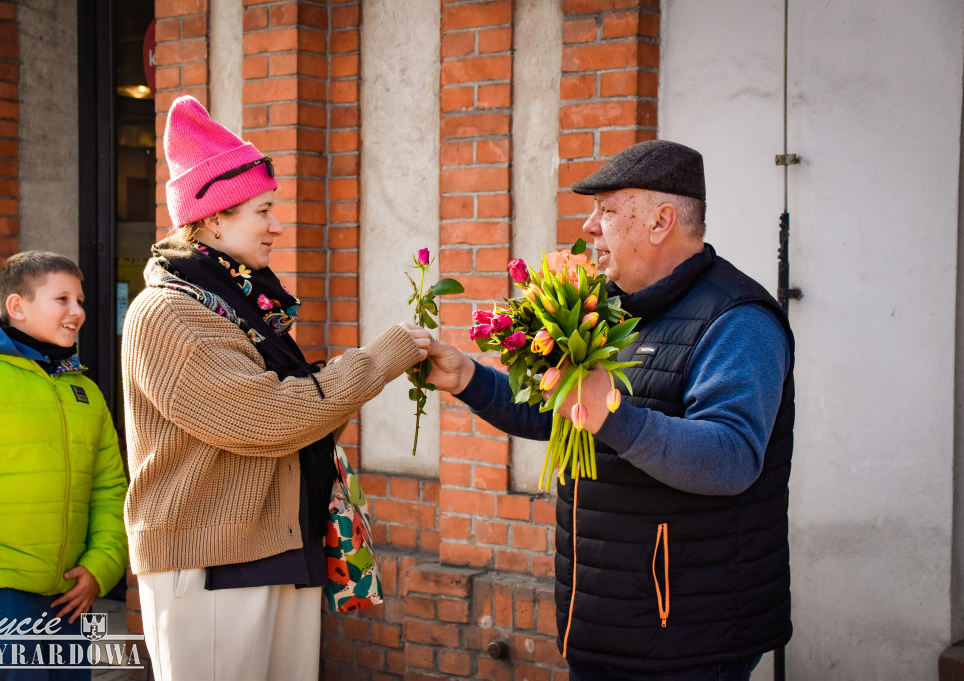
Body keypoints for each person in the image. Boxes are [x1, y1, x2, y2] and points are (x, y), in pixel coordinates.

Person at [426, 140, 795, 680]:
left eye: (606, 210)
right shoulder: (613, 306)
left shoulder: (738, 321)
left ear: (661, 221)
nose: (589, 227)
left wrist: (614, 415)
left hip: (685, 637)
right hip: (602, 621)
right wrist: (466, 377)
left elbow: (732, 460)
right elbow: (567, 414)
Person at [120, 95, 429, 681]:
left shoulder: (241, 305)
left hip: (275, 548)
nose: (277, 225)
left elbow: (307, 418)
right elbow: (270, 419)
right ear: (213, 219)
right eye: (263, 210)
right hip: (214, 564)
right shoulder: (168, 313)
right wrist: (378, 360)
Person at [0, 251, 129, 680]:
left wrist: (101, 567)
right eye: (61, 299)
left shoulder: (86, 391)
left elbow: (109, 489)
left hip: (69, 592)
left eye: (79, 300)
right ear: (17, 306)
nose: (77, 312)